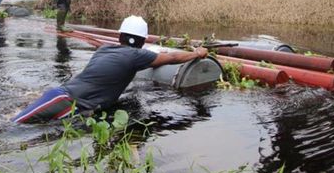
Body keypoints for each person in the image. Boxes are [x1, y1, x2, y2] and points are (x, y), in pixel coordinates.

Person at [12, 15, 208, 124]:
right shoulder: (137, 55)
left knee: (19, 121)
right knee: (12, 126)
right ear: (142, 41)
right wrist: (197, 53)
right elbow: (173, 57)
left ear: (120, 36)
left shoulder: (105, 48)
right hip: (67, 103)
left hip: (61, 96)